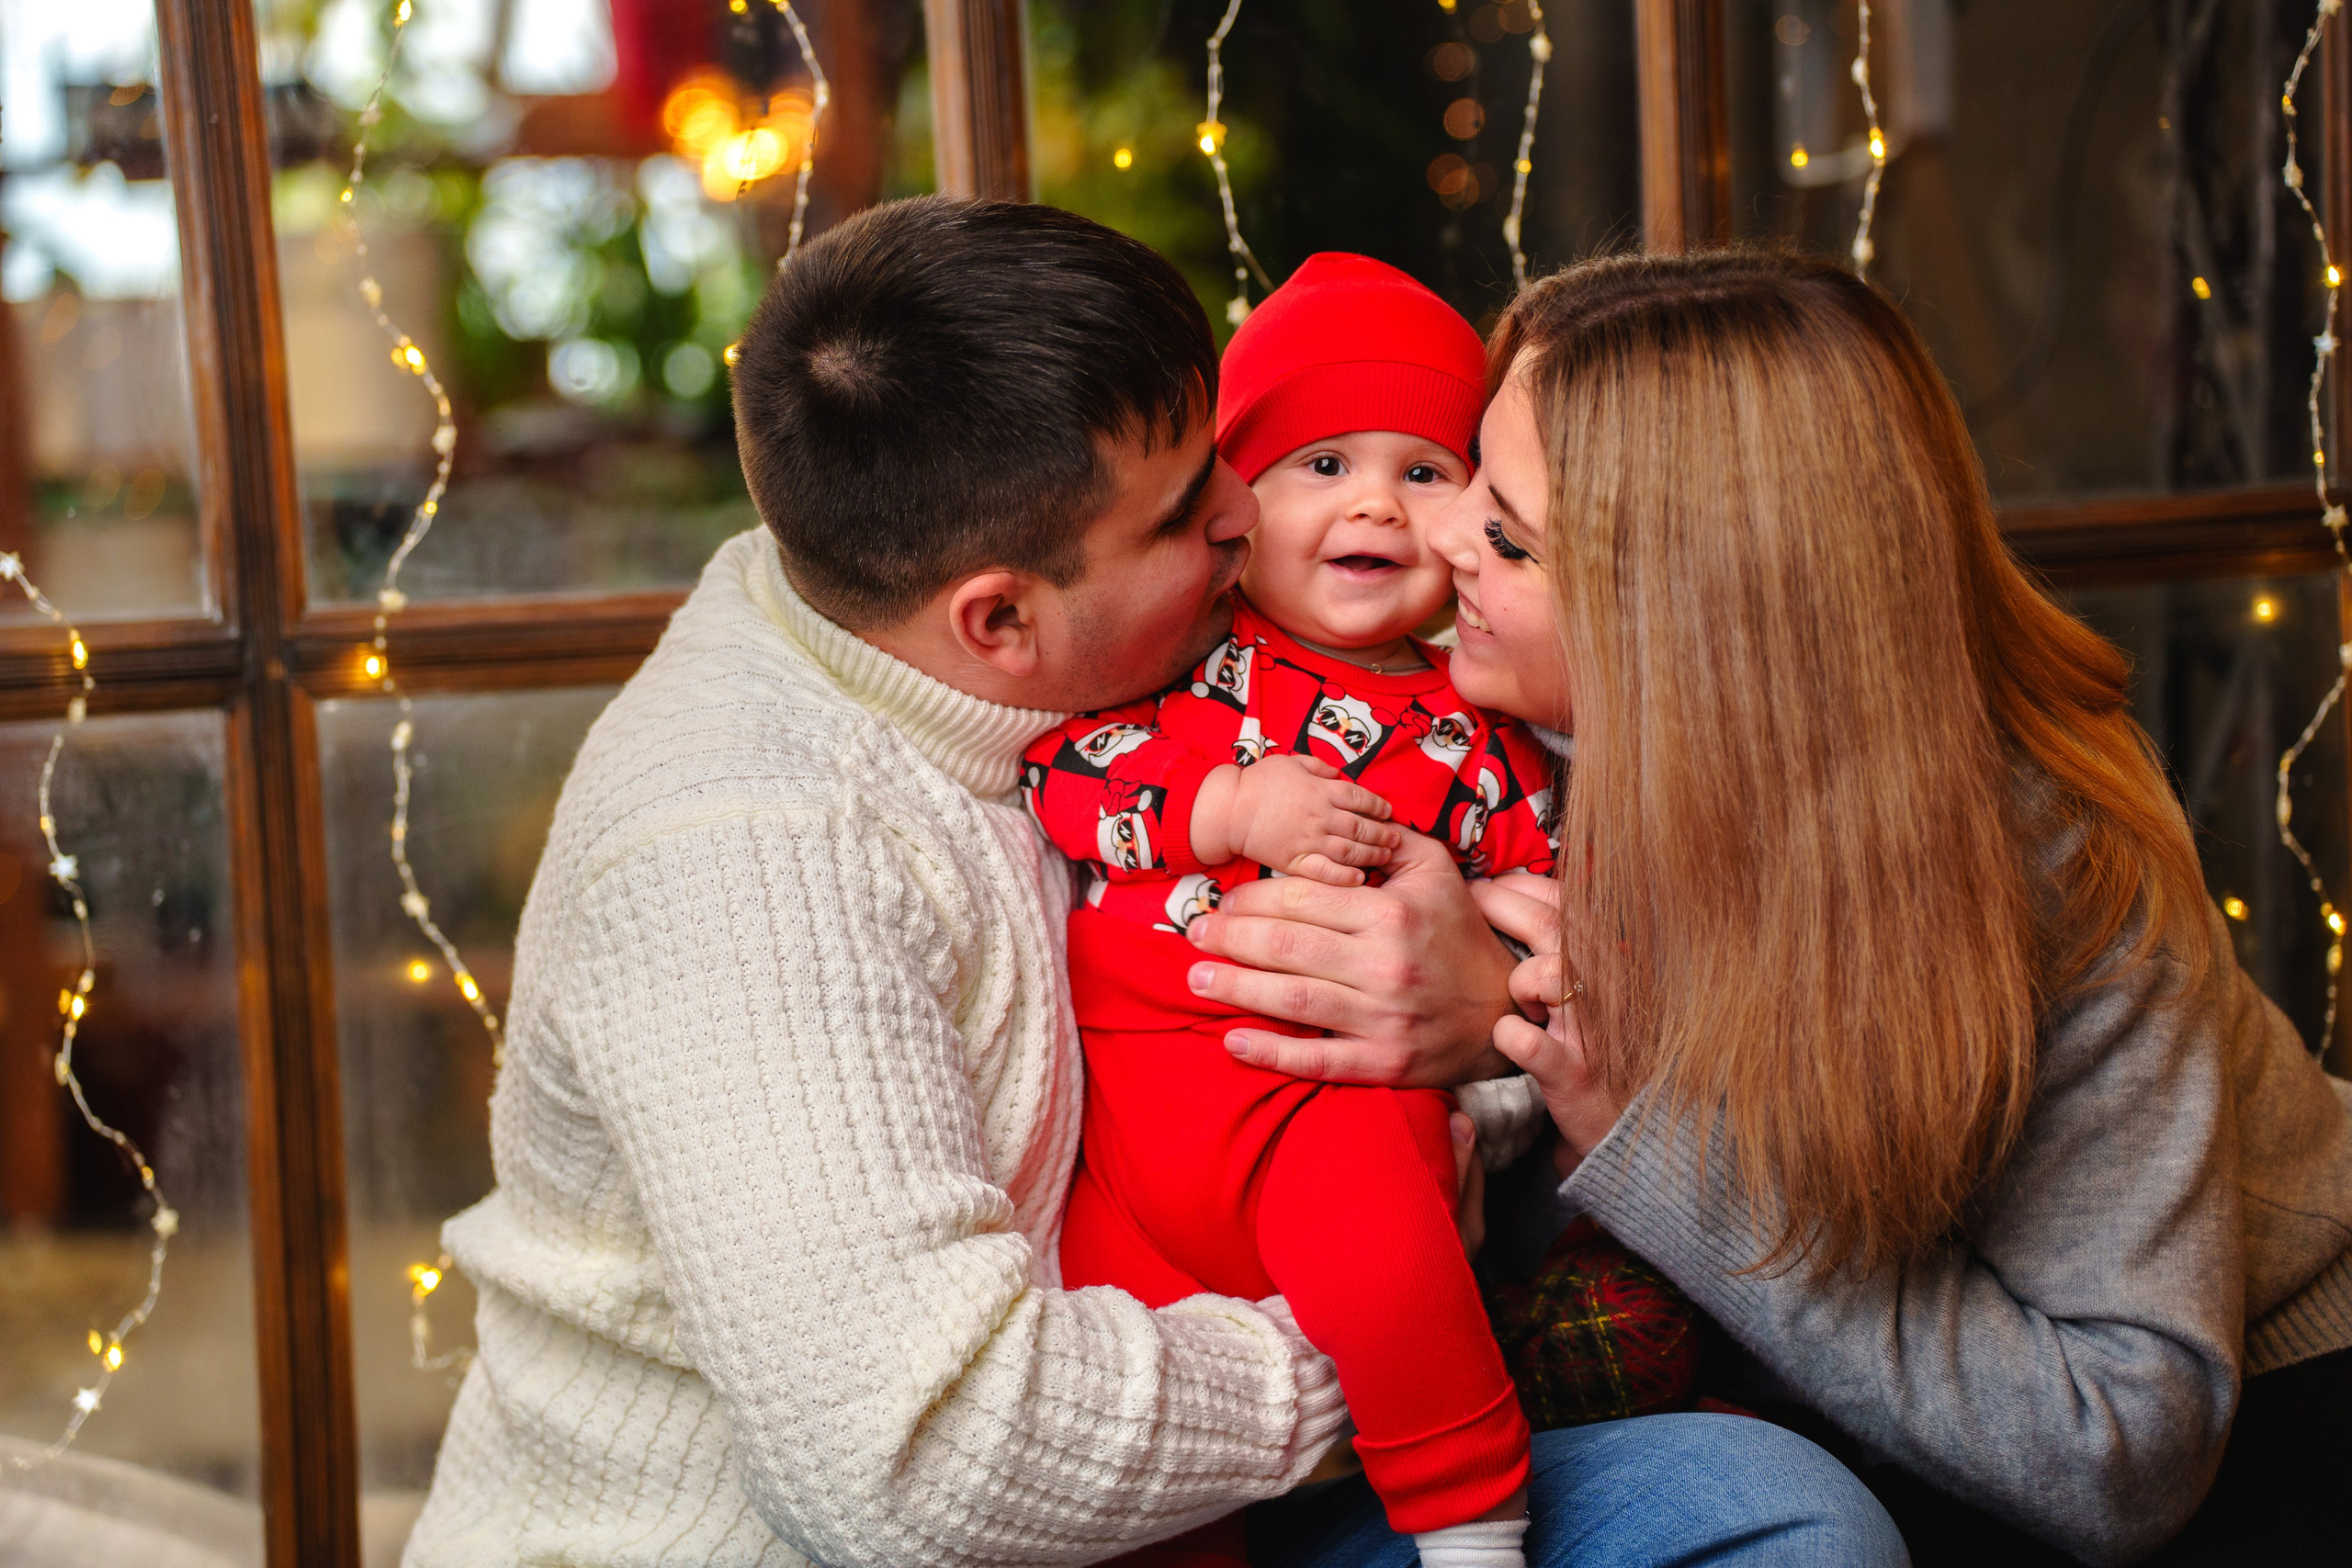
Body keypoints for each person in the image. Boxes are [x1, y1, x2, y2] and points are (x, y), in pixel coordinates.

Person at [400, 201, 1905, 1568]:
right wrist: (1401, 1328)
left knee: (1772, 1510)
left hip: (1210, 1436)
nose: (1250, 524)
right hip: (867, 1533)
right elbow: (919, 1465)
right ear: (999, 622)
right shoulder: (747, 858)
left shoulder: (956, 589)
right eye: (1194, 512)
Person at [1185, 247, 2352, 1568]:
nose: (1432, 534)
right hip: (1818, 1404)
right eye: (1469, 470)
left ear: (1683, 628)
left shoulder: (2056, 860)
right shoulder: (1488, 742)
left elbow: (2119, 1451)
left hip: (2245, 1420)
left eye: (1506, 534)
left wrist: (1596, 1082)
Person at [1023, 254, 1561, 1568]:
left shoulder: (1479, 722)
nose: (1373, 499)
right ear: (1232, 504)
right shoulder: (1184, 655)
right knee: (1127, 1464)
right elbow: (1065, 772)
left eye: (1422, 473)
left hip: (1326, 1091)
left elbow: (1540, 907)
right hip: (1139, 1105)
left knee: (1394, 1269)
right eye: (1321, 464)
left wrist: (1493, 1042)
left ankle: (1470, 1524)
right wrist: (1224, 809)